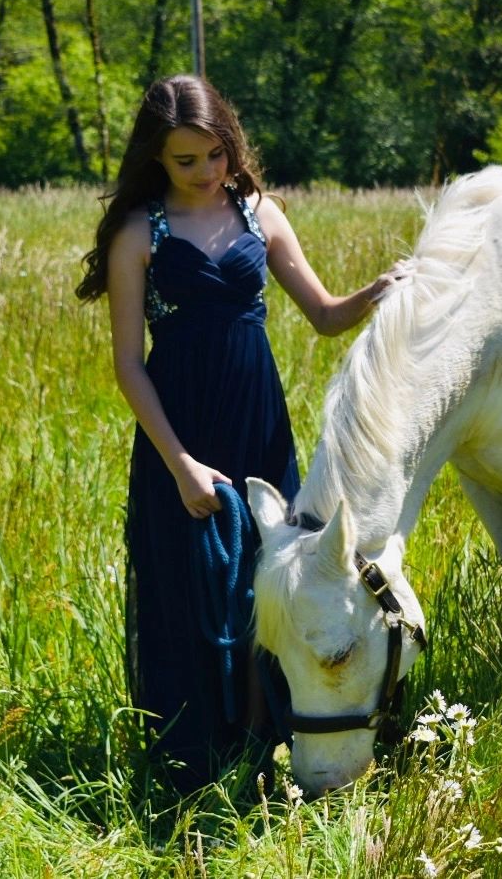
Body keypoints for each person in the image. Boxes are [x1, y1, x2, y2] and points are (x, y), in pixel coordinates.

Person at [77, 74, 401, 794]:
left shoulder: (262, 215)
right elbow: (129, 366)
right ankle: (199, 770)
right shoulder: (140, 232)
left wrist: (380, 292)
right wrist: (181, 464)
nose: (205, 172)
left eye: (214, 154)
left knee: (272, 587)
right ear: (156, 159)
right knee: (191, 591)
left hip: (259, 423)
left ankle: (274, 753)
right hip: (180, 432)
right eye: (184, 161)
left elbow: (322, 314)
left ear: (229, 140)